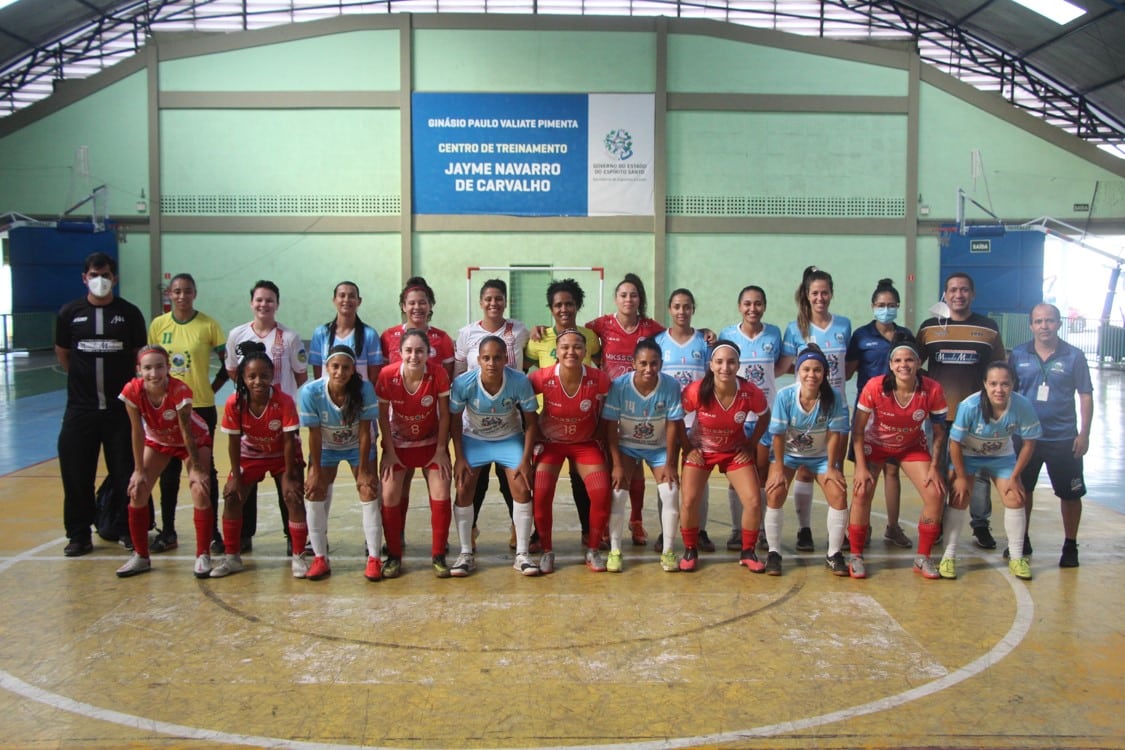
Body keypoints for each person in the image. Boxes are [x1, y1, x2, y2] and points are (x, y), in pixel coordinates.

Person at [56, 251, 147, 557]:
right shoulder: (69, 313)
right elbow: (64, 354)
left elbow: (139, 356)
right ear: (85, 278)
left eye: (105, 275)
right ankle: (79, 534)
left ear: (114, 278)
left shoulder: (130, 313)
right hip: (80, 410)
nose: (100, 281)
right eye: (94, 275)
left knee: (125, 471)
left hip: (119, 411)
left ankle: (125, 529)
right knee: (76, 473)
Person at [916, 272, 1006, 550]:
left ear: (973, 294)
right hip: (940, 417)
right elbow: (913, 366)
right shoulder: (930, 328)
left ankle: (980, 525)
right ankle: (939, 523)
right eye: (953, 290)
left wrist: (997, 409)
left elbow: (999, 370)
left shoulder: (988, 329)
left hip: (977, 417)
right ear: (945, 294)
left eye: (964, 290)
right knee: (939, 470)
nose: (958, 294)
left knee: (977, 474)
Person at [850, 336, 948, 580]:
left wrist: (935, 466)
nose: (904, 365)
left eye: (909, 360)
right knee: (862, 491)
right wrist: (861, 467)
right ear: (891, 364)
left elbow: (939, 433)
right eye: (898, 360)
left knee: (935, 494)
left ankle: (922, 557)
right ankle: (855, 556)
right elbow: (859, 430)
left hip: (911, 446)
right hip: (876, 444)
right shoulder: (875, 386)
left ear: (917, 362)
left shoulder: (932, 389)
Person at [225, 280, 308, 554]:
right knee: (244, 480)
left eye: (269, 300)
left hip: (282, 420)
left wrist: (288, 405)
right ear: (252, 303)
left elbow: (300, 374)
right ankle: (244, 536)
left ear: (277, 304)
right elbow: (233, 371)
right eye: (259, 300)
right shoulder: (237, 335)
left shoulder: (290, 337)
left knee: (288, 479)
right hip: (252, 419)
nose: (264, 304)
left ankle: (292, 536)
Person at [116, 345, 214, 578]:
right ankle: (141, 556)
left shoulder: (179, 390)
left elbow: (186, 430)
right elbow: (137, 431)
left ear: (168, 368)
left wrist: (198, 469)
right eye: (148, 368)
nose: (154, 373)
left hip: (193, 440)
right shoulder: (132, 390)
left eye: (159, 367)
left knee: (200, 490)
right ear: (139, 369)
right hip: (159, 440)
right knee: (137, 490)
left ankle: (203, 554)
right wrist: (139, 470)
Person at [584, 273, 667, 547]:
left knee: (638, 469)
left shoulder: (651, 328)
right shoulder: (601, 324)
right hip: (611, 401)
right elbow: (578, 334)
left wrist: (703, 333)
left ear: (640, 299)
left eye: (633, 295)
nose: (628, 299)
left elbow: (675, 334)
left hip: (642, 404)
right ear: (616, 299)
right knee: (614, 465)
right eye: (623, 295)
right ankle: (610, 521)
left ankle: (637, 520)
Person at [147, 272, 226, 554]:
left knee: (204, 470)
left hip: (200, 407)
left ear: (195, 293)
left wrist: (209, 389)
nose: (182, 296)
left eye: (187, 291)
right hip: (167, 408)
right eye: (177, 291)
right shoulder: (158, 325)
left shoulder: (208, 325)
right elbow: (151, 364)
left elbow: (228, 366)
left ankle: (214, 532)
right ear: (169, 294)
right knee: (168, 472)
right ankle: (168, 531)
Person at [1009, 303, 1092, 568]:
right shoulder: (1019, 354)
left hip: (1063, 437)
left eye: (1050, 321)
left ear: (1059, 323)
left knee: (1070, 494)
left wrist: (1084, 434)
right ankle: (1021, 539)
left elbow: (1086, 395)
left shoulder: (1074, 356)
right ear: (1031, 325)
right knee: (1023, 491)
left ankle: (1070, 545)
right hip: (1026, 438)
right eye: (1039, 321)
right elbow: (1008, 392)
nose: (1044, 326)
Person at [449, 335, 540, 576]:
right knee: (463, 486)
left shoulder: (519, 381)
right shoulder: (463, 383)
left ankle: (522, 554)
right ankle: (465, 553)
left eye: (497, 358)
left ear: (506, 359)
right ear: (478, 360)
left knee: (521, 487)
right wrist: (459, 456)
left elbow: (532, 422)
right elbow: (455, 420)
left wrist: (525, 459)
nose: (492, 363)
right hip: (474, 440)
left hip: (509, 439)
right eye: (486, 358)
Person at [942, 361, 1041, 581]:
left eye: (1005, 384)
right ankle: (948, 556)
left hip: (1001, 457)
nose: (999, 389)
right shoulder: (970, 406)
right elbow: (955, 444)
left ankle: (1016, 557)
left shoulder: (1022, 405)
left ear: (1013, 384)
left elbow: (1029, 443)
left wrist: (1014, 476)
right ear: (985, 384)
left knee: (1015, 497)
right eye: (993, 383)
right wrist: (959, 477)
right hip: (967, 454)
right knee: (959, 497)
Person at [453, 279, 532, 553]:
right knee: (476, 481)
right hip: (475, 421)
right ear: (480, 302)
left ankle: (517, 530)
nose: (493, 303)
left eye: (499, 298)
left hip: (510, 418)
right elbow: (460, 372)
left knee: (513, 479)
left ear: (505, 301)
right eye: (488, 298)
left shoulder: (520, 330)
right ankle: (469, 532)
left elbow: (532, 357)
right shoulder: (466, 334)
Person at [678, 340, 770, 573]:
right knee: (688, 500)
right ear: (711, 365)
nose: (725, 367)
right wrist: (689, 447)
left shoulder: (750, 392)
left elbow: (764, 416)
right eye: (719, 362)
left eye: (731, 362)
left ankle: (748, 551)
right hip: (702, 452)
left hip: (733, 453)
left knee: (753, 501)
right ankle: (690, 549)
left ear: (739, 365)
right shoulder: (697, 390)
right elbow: (675, 417)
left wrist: (750, 445)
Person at [524, 278, 601, 549]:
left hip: (583, 423)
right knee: (542, 484)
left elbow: (598, 367)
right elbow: (524, 370)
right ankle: (538, 534)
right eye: (558, 305)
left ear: (577, 306)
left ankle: (587, 531)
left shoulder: (590, 337)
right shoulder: (538, 338)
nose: (564, 309)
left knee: (583, 482)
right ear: (551, 308)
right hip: (548, 425)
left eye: (569, 304)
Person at [528, 328, 613, 573]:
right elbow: (521, 403)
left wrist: (602, 440)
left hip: (585, 444)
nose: (571, 351)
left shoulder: (599, 379)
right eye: (565, 347)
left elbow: (607, 415)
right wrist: (535, 430)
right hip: (551, 444)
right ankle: (546, 550)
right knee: (542, 494)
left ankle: (593, 549)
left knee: (601, 492)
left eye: (577, 347)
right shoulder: (541, 378)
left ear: (586, 351)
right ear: (557, 351)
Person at [216, 342, 304, 578]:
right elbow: (233, 442)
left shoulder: (284, 401)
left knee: (293, 498)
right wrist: (235, 475)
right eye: (252, 376)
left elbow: (288, 441)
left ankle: (298, 556)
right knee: (232, 497)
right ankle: (232, 557)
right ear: (242, 377)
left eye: (264, 376)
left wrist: (290, 475)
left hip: (281, 455)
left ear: (272, 376)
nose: (258, 381)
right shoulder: (234, 403)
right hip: (251, 455)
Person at [781, 266, 852, 553]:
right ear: (807, 296)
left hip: (835, 409)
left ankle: (840, 533)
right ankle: (804, 529)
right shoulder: (795, 328)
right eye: (815, 293)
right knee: (806, 472)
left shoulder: (844, 325)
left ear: (831, 294)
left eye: (824, 292)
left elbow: (848, 368)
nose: (820, 297)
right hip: (805, 411)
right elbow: (785, 365)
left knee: (836, 469)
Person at [379, 276, 455, 544]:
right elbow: (383, 382)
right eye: (412, 303)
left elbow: (447, 382)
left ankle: (440, 540)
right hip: (398, 423)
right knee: (398, 482)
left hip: (430, 421)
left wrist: (443, 443)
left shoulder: (443, 339)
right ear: (403, 305)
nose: (417, 307)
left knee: (436, 478)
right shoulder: (388, 336)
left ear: (430, 305)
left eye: (423, 302)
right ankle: (395, 536)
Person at [764, 345, 851, 576]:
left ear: (825, 373)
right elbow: (778, 435)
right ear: (798, 372)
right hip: (790, 455)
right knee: (775, 491)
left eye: (817, 370)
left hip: (821, 456)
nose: (811, 375)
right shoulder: (785, 396)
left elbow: (834, 435)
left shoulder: (834, 397)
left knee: (839, 494)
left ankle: (834, 554)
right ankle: (774, 552)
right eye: (806, 369)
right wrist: (779, 468)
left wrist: (832, 467)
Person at [377, 328, 453, 579]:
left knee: (442, 490)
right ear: (399, 353)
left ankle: (439, 555)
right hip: (399, 445)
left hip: (430, 444)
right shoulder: (388, 375)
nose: (414, 356)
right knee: (388, 493)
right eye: (408, 351)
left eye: (419, 351)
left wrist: (442, 450)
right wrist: (388, 451)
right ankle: (394, 556)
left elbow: (445, 416)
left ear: (428, 352)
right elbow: (382, 417)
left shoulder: (438, 374)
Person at [299, 345, 380, 581]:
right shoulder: (311, 393)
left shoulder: (364, 390)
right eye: (335, 366)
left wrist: (364, 469)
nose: (340, 372)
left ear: (353, 369)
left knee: (368, 489)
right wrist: (314, 469)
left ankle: (374, 558)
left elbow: (365, 432)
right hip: (326, 447)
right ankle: (320, 557)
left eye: (345, 367)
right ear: (326, 368)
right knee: (314, 491)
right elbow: (314, 434)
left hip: (358, 446)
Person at [845, 278, 915, 549]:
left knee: (892, 472)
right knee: (866, 473)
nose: (886, 309)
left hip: (900, 415)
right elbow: (848, 371)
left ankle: (893, 527)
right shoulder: (861, 336)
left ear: (897, 307)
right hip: (868, 413)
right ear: (873, 307)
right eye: (881, 305)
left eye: (891, 305)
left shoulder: (906, 335)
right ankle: (860, 526)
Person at [603, 340, 685, 572]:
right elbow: (610, 428)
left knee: (670, 491)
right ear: (633, 364)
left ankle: (668, 551)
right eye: (643, 363)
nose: (649, 369)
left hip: (658, 448)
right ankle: (615, 550)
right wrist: (617, 464)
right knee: (617, 493)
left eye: (654, 363)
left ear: (661, 363)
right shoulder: (619, 386)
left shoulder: (670, 385)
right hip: (627, 446)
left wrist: (670, 463)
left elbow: (672, 425)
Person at [719, 285, 786, 553]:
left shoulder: (774, 334)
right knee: (736, 475)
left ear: (764, 306)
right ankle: (738, 530)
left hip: (765, 415)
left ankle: (759, 530)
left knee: (760, 474)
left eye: (758, 303)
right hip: (737, 417)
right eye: (747, 303)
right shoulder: (727, 334)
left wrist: (763, 386)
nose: (752, 309)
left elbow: (779, 366)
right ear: (739, 306)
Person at [653, 288, 711, 553]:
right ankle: (665, 531)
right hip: (667, 422)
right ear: (669, 309)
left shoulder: (704, 343)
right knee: (666, 475)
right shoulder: (658, 343)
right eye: (676, 306)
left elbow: (713, 380)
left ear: (693, 309)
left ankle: (699, 530)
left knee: (698, 478)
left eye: (686, 307)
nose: (681, 311)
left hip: (696, 423)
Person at [308, 281, 385, 382]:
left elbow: (374, 377)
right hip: (328, 396)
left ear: (359, 301)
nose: (346, 300)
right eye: (342, 295)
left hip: (359, 396)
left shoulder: (369, 334)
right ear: (334, 300)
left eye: (352, 296)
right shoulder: (321, 333)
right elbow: (318, 376)